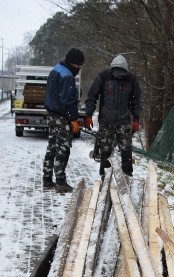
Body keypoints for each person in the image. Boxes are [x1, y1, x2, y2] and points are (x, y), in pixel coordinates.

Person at [84, 54, 142, 177]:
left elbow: (136, 100)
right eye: (117, 71)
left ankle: (127, 176)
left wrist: (136, 118)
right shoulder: (103, 77)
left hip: (124, 121)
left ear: (126, 71)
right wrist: (88, 115)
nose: (119, 74)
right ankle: (105, 176)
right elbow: (91, 96)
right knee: (105, 151)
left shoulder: (132, 80)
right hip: (106, 121)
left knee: (126, 150)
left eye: (122, 72)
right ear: (112, 69)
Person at [43, 48, 85, 193]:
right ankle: (61, 183)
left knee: (52, 147)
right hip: (62, 116)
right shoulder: (67, 76)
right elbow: (67, 100)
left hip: (51, 114)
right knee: (63, 148)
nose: (79, 69)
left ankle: (47, 180)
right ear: (74, 63)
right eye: (79, 66)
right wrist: (73, 120)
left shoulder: (56, 69)